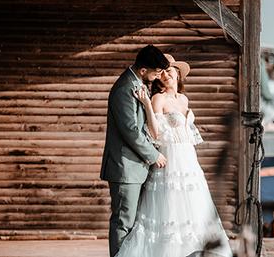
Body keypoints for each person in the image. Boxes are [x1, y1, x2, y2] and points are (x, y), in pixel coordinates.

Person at [114, 54, 233, 257]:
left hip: (188, 158)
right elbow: (155, 133)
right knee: (171, 205)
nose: (166, 75)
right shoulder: (158, 98)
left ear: (178, 74)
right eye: (163, 72)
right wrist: (147, 106)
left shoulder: (184, 99)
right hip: (171, 156)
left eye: (170, 71)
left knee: (195, 205)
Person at [100, 45, 170, 257]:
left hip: (135, 168)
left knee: (132, 223)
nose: (159, 76)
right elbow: (130, 131)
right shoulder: (124, 89)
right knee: (123, 222)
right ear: (143, 70)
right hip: (125, 168)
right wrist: (153, 155)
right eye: (157, 72)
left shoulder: (138, 83)